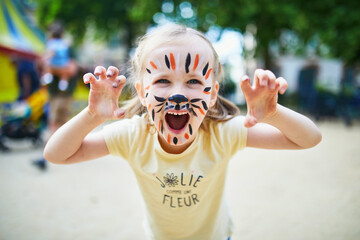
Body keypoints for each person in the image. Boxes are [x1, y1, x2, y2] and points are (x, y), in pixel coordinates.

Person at [44, 24, 322, 240]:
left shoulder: (223, 133)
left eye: (192, 81)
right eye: (163, 80)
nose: (178, 94)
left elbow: (309, 139)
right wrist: (92, 116)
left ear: (212, 94)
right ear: (142, 92)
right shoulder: (132, 135)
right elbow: (56, 154)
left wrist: (273, 113)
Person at [41, 22, 77, 91]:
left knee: (47, 66)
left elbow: (51, 53)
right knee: (64, 75)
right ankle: (63, 82)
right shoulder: (64, 43)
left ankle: (48, 76)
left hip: (54, 64)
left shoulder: (51, 43)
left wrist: (45, 58)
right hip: (63, 63)